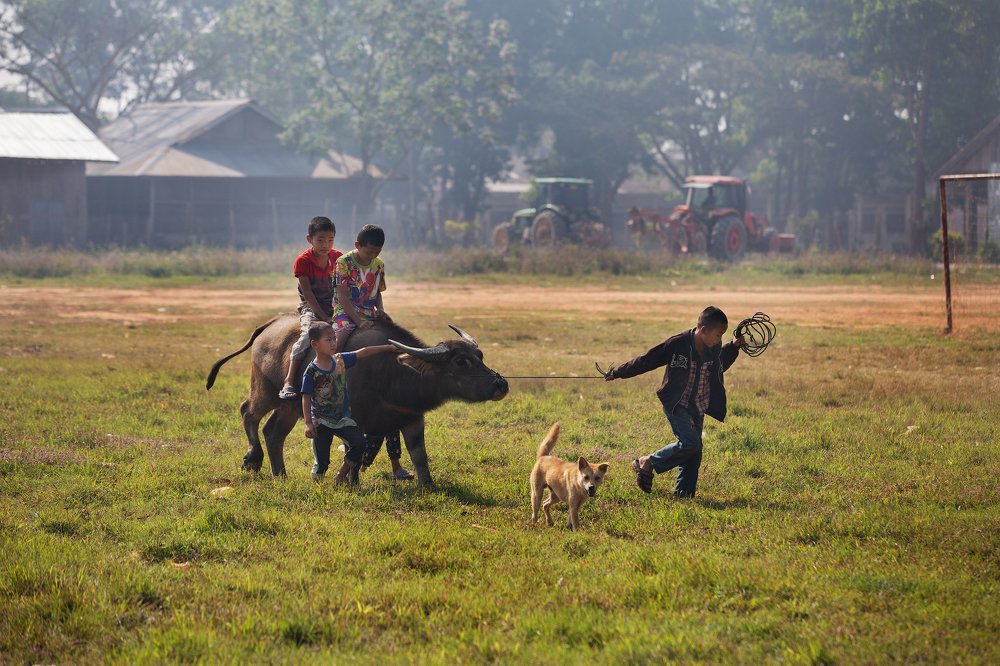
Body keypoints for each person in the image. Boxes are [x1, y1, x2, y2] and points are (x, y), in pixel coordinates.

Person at [604, 306, 746, 498]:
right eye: (718, 334)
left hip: (698, 405)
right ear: (703, 330)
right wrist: (619, 372)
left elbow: (721, 364)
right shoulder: (677, 344)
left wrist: (733, 346)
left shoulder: (714, 349)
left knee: (694, 454)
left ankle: (683, 495)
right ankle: (648, 462)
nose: (720, 339)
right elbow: (648, 360)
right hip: (677, 404)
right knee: (690, 443)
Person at [332, 223, 414, 481]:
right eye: (368, 253)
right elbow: (343, 297)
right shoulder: (343, 263)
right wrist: (357, 321)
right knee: (340, 340)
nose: (371, 257)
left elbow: (377, 293)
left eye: (376, 252)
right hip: (346, 314)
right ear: (358, 246)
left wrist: (379, 310)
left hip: (369, 313)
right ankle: (330, 373)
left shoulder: (378, 265)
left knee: (395, 340)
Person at [300, 321, 396, 483]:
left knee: (359, 444)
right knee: (322, 462)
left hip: (343, 418)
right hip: (321, 421)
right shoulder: (311, 371)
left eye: (334, 339)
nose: (333, 343)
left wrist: (386, 348)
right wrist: (309, 423)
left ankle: (340, 476)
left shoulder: (340, 360)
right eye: (328, 340)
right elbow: (306, 396)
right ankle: (317, 486)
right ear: (315, 344)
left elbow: (363, 352)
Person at [279, 216, 342, 400]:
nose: (326, 245)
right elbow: (308, 294)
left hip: (334, 306)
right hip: (311, 307)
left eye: (330, 240)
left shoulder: (338, 258)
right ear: (310, 239)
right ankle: (289, 380)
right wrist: (323, 317)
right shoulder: (303, 261)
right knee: (307, 336)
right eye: (320, 240)